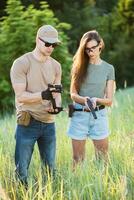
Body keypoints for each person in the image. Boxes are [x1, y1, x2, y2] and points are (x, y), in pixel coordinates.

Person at [10, 25, 62, 187]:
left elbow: (57, 93)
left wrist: (57, 106)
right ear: (37, 40)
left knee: (50, 170)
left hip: (49, 124)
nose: (50, 48)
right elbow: (21, 96)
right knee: (22, 171)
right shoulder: (21, 63)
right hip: (27, 123)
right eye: (47, 44)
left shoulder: (56, 66)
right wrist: (43, 95)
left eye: (54, 45)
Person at [67, 30, 115, 169]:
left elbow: (109, 100)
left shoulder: (108, 68)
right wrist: (85, 99)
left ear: (100, 45)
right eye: (87, 49)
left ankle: (102, 188)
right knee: (77, 159)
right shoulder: (79, 66)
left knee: (103, 159)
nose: (90, 52)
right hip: (79, 114)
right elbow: (73, 94)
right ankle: (76, 188)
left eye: (93, 48)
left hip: (99, 116)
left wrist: (96, 100)